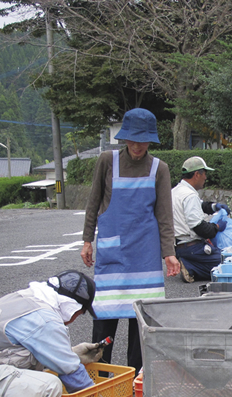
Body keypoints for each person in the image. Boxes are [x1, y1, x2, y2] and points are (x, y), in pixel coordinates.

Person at [81, 108, 181, 372]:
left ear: (151, 140)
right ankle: (100, 377)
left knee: (140, 321)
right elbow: (93, 202)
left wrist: (168, 252)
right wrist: (87, 239)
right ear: (124, 138)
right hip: (113, 252)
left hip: (145, 254)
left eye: (143, 140)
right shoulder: (107, 161)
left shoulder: (160, 168)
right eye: (133, 139)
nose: (138, 145)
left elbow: (164, 214)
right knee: (104, 317)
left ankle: (135, 379)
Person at [171, 156, 231, 283]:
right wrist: (217, 227)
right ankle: (192, 267)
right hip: (194, 248)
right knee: (228, 264)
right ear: (197, 174)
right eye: (205, 174)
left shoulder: (176, 191)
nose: (206, 178)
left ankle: (190, 265)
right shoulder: (190, 195)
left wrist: (214, 207)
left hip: (179, 246)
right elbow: (200, 228)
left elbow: (200, 205)